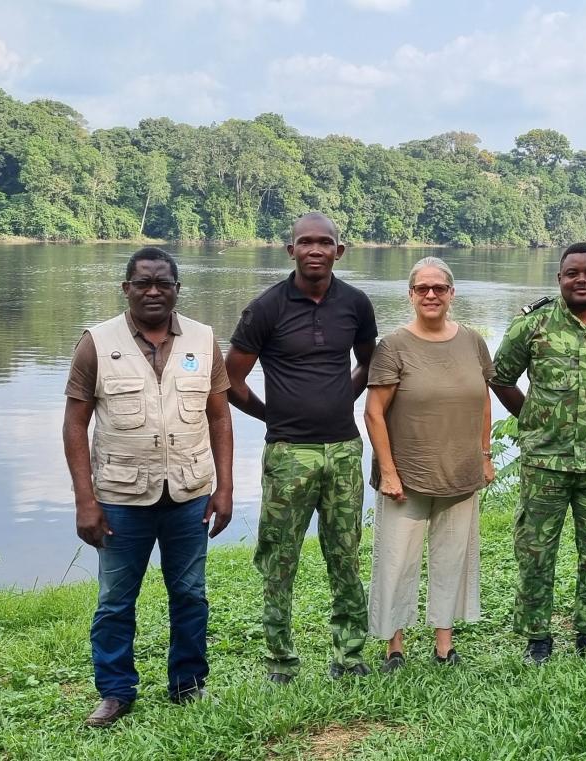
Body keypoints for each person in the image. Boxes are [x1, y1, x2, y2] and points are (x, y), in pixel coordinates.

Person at [63, 247, 234, 728]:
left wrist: (224, 487)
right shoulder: (96, 343)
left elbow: (220, 418)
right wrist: (85, 500)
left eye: (163, 283)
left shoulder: (203, 339)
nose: (153, 291)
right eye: (143, 283)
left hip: (189, 494)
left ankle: (188, 685)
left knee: (190, 594)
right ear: (127, 288)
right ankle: (115, 692)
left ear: (178, 289)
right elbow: (74, 424)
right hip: (120, 499)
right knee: (115, 601)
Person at [226, 212, 378, 683]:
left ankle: (349, 656)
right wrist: (271, 416)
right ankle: (280, 660)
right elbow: (231, 380)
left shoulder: (356, 304)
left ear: (339, 250)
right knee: (279, 557)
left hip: (344, 449)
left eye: (325, 242)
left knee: (346, 554)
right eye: (306, 242)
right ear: (290, 249)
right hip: (289, 452)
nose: (316, 250)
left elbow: (368, 363)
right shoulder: (265, 308)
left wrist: (340, 400)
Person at [491, 242, 586, 663]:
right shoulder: (533, 323)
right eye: (572, 273)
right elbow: (500, 376)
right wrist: (534, 417)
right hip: (545, 461)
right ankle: (537, 639)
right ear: (559, 278)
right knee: (536, 552)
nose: (582, 280)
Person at [364, 256, 494, 672]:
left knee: (451, 561)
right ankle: (394, 648)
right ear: (411, 295)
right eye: (423, 288)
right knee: (396, 562)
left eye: (439, 288)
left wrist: (485, 454)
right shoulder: (394, 346)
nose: (431, 295)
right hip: (407, 478)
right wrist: (388, 472)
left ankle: (444, 647)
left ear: (452, 293)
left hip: (460, 473)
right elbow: (373, 412)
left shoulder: (472, 341)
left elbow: (483, 400)